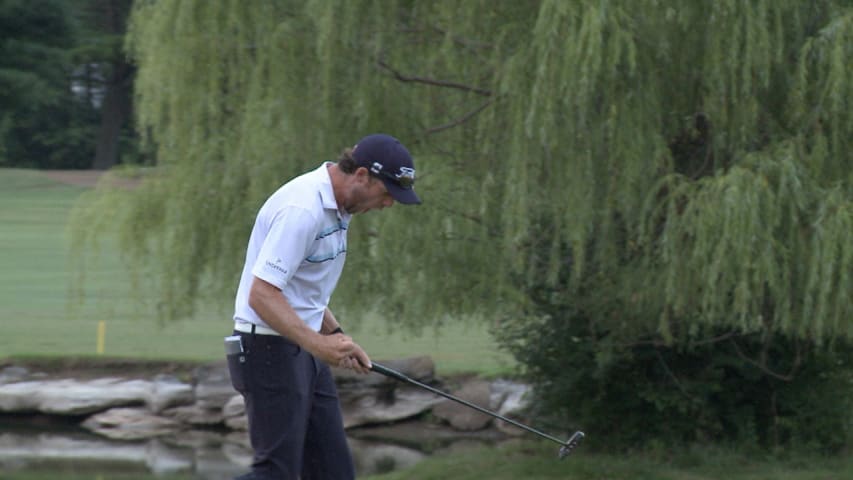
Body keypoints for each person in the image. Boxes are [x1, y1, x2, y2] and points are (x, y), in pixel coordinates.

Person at [226, 133, 421, 479]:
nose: (388, 204)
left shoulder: (339, 209)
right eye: (387, 193)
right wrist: (318, 343)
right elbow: (262, 294)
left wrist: (339, 338)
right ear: (362, 175)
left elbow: (303, 295)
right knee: (276, 473)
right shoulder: (303, 209)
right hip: (267, 349)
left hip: (300, 349)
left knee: (333, 472)